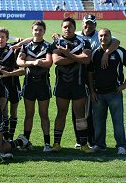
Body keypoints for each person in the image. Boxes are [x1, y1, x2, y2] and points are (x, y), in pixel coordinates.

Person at [72, 14, 120, 149]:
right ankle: (79, 139)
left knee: (93, 112)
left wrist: (106, 53)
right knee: (78, 110)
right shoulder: (75, 34)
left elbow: (116, 42)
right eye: (86, 23)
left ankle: (92, 141)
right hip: (77, 76)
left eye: (91, 23)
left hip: (94, 77)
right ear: (82, 23)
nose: (88, 26)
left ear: (95, 24)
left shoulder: (100, 35)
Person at [51, 17, 93, 153]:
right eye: (65, 27)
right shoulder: (57, 42)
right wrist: (76, 57)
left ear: (75, 28)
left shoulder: (83, 41)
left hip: (78, 83)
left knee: (80, 114)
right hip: (62, 84)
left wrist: (68, 54)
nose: (67, 29)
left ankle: (83, 144)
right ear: (61, 28)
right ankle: (56, 143)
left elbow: (86, 59)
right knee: (61, 113)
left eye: (70, 26)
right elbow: (57, 60)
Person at [16, 20, 53, 152]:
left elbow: (48, 63)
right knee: (28, 114)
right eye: (35, 30)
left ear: (44, 31)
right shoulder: (26, 47)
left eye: (40, 30)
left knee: (44, 114)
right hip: (29, 83)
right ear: (32, 31)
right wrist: (34, 62)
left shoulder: (48, 46)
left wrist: (30, 61)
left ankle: (47, 144)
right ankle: (26, 143)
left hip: (43, 83)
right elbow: (19, 61)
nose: (37, 32)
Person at [88, 28, 126, 155]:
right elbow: (90, 73)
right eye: (101, 36)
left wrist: (124, 85)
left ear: (110, 36)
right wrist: (92, 91)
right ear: (98, 38)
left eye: (105, 36)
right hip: (98, 94)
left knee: (118, 122)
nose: (103, 38)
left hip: (115, 93)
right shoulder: (95, 53)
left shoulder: (119, 52)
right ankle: (100, 145)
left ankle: (121, 146)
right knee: (98, 122)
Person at [0, 27, 21, 141]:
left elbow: (30, 39)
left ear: (7, 38)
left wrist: (8, 73)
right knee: (3, 111)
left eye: (2, 37)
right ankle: (5, 136)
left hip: (13, 83)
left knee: (14, 110)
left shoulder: (13, 48)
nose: (0, 39)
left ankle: (11, 136)